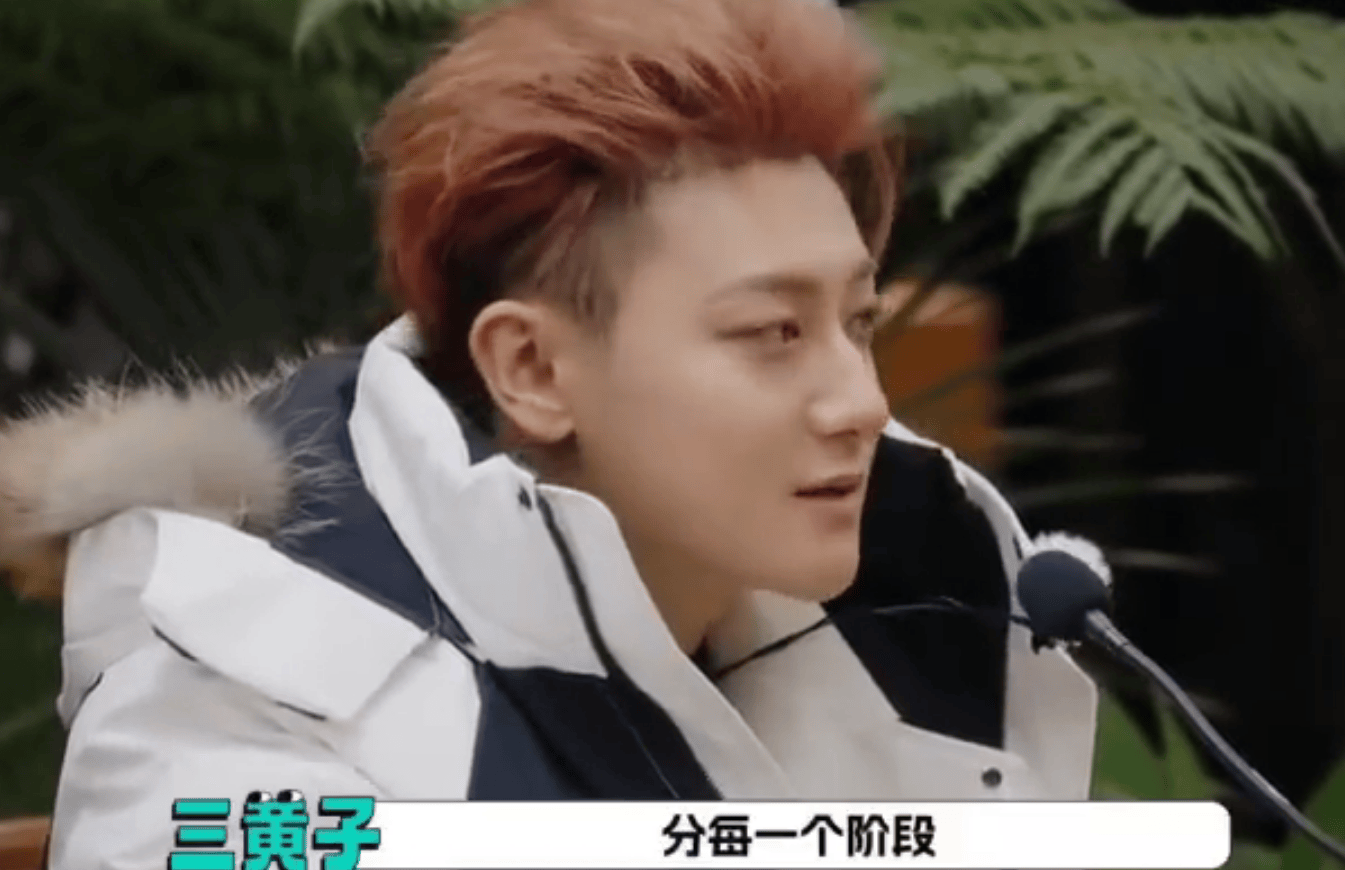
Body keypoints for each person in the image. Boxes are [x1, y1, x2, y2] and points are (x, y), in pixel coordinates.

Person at [0, 0, 1100, 865]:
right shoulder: (235, 726)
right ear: (530, 370)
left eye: (855, 322)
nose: (857, 401)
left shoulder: (927, 613)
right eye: (772, 331)